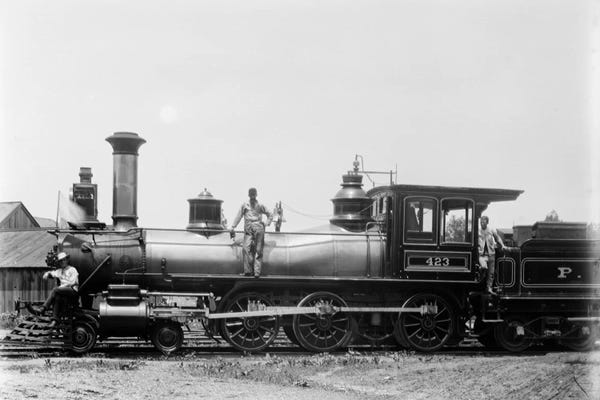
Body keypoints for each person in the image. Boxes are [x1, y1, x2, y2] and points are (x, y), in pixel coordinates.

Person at [230, 188, 272, 277]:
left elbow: (270, 214)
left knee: (258, 250)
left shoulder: (260, 205)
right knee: (245, 249)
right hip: (248, 227)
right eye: (251, 194)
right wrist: (233, 226)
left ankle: (257, 272)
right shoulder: (244, 205)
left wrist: (266, 223)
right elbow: (239, 216)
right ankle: (248, 271)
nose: (252, 196)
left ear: (256, 195)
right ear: (249, 195)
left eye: (254, 194)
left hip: (258, 227)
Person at [29, 252, 79, 326]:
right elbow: (52, 273)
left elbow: (72, 282)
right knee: (57, 297)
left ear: (67, 260)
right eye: (60, 261)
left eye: (64, 260)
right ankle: (55, 320)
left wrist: (60, 287)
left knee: (56, 290)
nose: (62, 262)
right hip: (63, 291)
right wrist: (47, 274)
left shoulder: (72, 269)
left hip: (72, 290)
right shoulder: (60, 271)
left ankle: (43, 308)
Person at [478, 215, 506, 294]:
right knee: (483, 267)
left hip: (491, 254)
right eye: (481, 222)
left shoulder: (491, 230)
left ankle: (489, 288)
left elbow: (498, 238)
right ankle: (480, 283)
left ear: (487, 222)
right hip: (482, 255)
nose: (481, 223)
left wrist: (502, 245)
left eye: (483, 222)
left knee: (491, 273)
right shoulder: (478, 231)